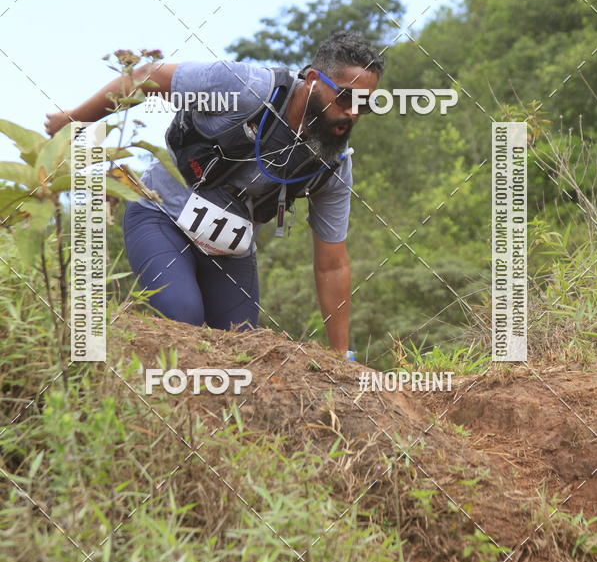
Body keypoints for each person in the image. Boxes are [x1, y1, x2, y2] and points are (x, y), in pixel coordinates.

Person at [45, 31, 384, 353]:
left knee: (245, 350)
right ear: (312, 81)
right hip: (162, 217)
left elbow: (332, 265)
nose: (353, 113)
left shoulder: (333, 166)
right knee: (183, 318)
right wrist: (76, 120)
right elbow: (150, 76)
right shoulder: (245, 88)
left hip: (229, 252)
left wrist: (340, 356)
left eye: (365, 105)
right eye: (344, 97)